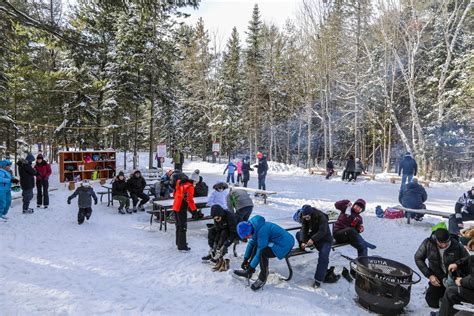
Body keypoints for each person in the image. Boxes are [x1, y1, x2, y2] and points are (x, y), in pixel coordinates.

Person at [233, 215, 295, 291]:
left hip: (284, 245)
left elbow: (260, 251)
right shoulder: (254, 227)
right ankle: (248, 272)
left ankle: (262, 278)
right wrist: (245, 259)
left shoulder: (262, 231)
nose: (247, 238)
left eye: (247, 236)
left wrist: (251, 267)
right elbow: (251, 244)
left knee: (263, 253)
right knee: (256, 246)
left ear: (249, 231)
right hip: (278, 241)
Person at [415, 227, 469, 309]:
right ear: (436, 239)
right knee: (432, 302)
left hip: (454, 278)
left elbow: (468, 260)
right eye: (441, 243)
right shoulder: (428, 243)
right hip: (437, 277)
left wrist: (459, 270)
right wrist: (429, 275)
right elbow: (418, 258)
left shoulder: (457, 245)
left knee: (456, 303)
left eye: (446, 242)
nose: (444, 245)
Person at [296, 205, 335, 288]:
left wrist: (313, 239)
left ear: (311, 214)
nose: (306, 219)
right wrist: (303, 241)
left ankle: (318, 280)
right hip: (314, 238)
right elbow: (304, 229)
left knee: (324, 256)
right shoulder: (304, 217)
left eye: (307, 217)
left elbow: (323, 231)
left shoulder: (321, 217)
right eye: (304, 217)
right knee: (298, 234)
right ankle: (307, 246)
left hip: (325, 240)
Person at [202, 204, 238, 272]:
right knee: (212, 231)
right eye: (214, 219)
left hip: (232, 231)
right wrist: (215, 242)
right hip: (223, 230)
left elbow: (233, 232)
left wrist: (226, 245)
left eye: (218, 218)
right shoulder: (217, 218)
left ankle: (220, 257)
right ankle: (213, 252)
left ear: (221, 214)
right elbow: (218, 230)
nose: (216, 220)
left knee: (223, 234)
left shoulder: (230, 216)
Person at [172, 171, 198, 251]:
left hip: (175, 206)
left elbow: (174, 194)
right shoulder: (190, 187)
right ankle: (182, 246)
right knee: (183, 226)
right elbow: (190, 200)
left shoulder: (180, 183)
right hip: (182, 207)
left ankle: (179, 242)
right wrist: (194, 211)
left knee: (178, 225)